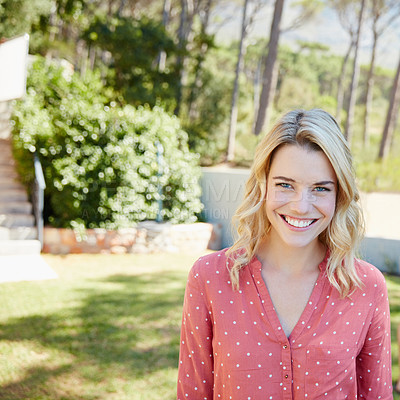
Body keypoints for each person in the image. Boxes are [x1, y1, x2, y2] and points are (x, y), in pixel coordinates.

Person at [177, 109, 393, 399]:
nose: (300, 206)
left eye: (319, 188)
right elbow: (193, 392)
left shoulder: (366, 286)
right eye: (285, 185)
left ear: (339, 194)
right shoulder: (210, 277)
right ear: (263, 183)